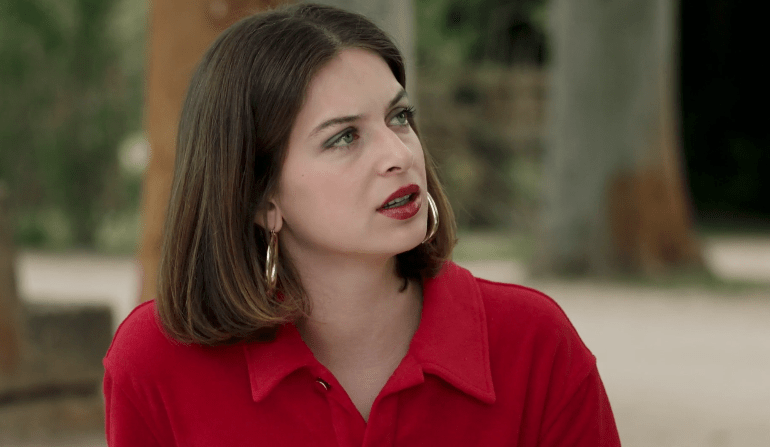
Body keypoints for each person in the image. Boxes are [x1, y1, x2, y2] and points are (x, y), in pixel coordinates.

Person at [103, 3, 620, 446]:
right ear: (261, 198)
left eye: (400, 117)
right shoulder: (156, 361)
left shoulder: (534, 345)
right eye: (344, 137)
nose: (399, 154)